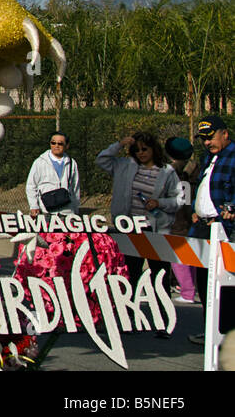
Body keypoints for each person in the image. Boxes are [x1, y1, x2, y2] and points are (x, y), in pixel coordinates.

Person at [97, 131, 179, 284]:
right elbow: (102, 159)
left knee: (160, 273)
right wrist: (119, 144)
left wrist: (159, 203)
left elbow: (178, 199)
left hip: (154, 228)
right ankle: (129, 307)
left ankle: (162, 306)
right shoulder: (124, 165)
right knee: (130, 272)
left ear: (153, 149)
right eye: (136, 150)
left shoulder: (167, 171)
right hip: (129, 226)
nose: (140, 153)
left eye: (144, 149)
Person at [189, 117, 235, 343]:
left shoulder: (234, 157)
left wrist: (232, 207)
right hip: (203, 227)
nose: (207, 143)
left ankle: (227, 335)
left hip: (225, 229)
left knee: (226, 284)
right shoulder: (208, 158)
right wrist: (195, 209)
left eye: (211, 137)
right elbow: (202, 186)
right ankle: (211, 332)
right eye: (204, 139)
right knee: (205, 283)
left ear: (225, 134)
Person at [165, 136, 200, 303]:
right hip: (190, 218)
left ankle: (187, 292)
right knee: (190, 257)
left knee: (177, 258)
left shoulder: (172, 173)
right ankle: (190, 289)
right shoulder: (195, 170)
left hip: (176, 221)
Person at [26, 132, 82, 216]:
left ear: (67, 146)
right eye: (53, 143)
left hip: (67, 211)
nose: (56, 146)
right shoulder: (40, 162)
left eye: (60, 143)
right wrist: (34, 206)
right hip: (46, 210)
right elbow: (31, 186)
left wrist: (76, 208)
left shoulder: (71, 163)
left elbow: (75, 188)